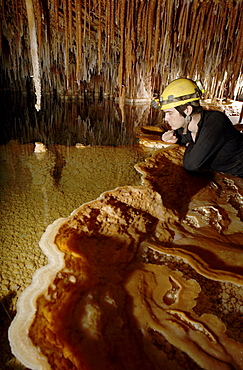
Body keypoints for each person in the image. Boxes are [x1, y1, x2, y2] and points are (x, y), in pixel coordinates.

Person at [152, 78, 243, 178]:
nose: (166, 118)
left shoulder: (215, 122)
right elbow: (183, 138)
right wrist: (171, 138)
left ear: (187, 110)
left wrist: (190, 144)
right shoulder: (190, 127)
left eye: (169, 113)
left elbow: (191, 165)